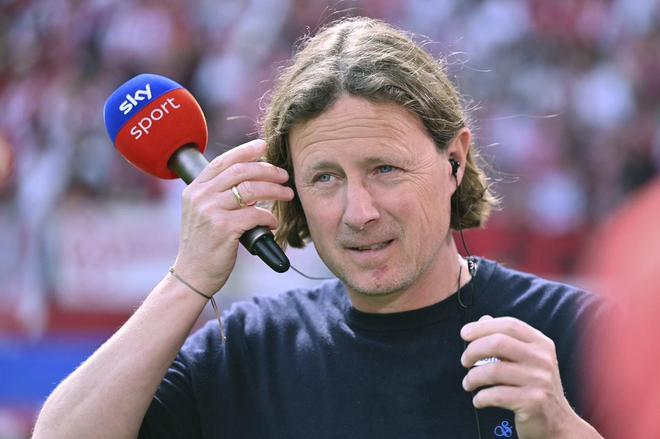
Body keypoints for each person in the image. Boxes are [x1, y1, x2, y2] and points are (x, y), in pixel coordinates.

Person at [33, 17, 606, 438]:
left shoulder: (581, 335)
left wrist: (563, 429)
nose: (359, 212)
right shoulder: (246, 353)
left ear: (454, 162)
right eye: (325, 178)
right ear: (292, 190)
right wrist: (187, 279)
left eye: (384, 169)